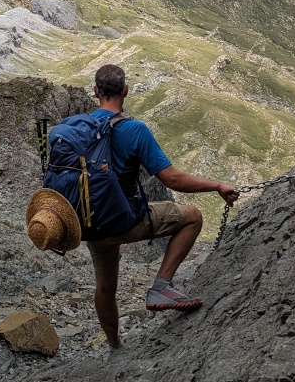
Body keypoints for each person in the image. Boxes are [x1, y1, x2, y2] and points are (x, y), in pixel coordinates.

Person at [85, 62, 238, 348]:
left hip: (91, 222)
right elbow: (173, 180)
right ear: (126, 90)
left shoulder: (81, 128)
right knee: (192, 216)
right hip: (126, 220)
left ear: (95, 92)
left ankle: (115, 346)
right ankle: (161, 287)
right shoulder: (134, 130)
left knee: (105, 287)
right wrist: (217, 185)